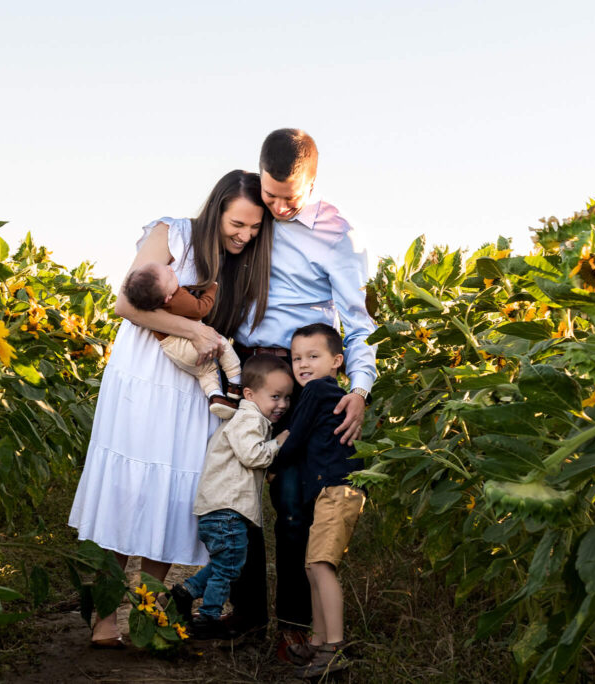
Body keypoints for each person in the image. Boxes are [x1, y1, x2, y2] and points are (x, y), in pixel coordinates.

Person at [68, 169, 274, 647]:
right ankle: (103, 621)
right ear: (217, 209)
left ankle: (147, 617)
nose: (244, 235)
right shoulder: (171, 233)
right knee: (126, 490)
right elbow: (125, 304)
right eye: (237, 224)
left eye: (254, 228)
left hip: (192, 388)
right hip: (144, 376)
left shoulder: (241, 266)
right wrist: (197, 332)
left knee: (173, 497)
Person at [227, 129, 377, 656]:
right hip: (245, 366)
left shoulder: (338, 234)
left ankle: (293, 629)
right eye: (271, 195)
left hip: (301, 378)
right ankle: (243, 621)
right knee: (233, 498)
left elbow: (358, 325)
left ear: (313, 180)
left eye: (290, 197)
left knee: (293, 504)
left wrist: (358, 388)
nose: (279, 207)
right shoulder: (253, 210)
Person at [169, 354, 293, 639]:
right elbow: (253, 455)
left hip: (222, 508)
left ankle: (184, 594)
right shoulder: (250, 419)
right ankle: (209, 617)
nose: (282, 405)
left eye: (287, 398)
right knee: (228, 568)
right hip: (227, 509)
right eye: (275, 396)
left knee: (227, 563)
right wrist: (277, 444)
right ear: (249, 394)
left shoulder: (247, 418)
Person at [273, 323, 366, 677]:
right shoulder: (323, 391)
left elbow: (293, 440)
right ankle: (317, 641)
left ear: (337, 361)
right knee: (313, 566)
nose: (303, 364)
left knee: (322, 566)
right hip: (331, 489)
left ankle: (334, 647)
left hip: (338, 488)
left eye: (314, 356)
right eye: (297, 358)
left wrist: (272, 463)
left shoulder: (317, 391)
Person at [120, 263, 243, 418]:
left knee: (205, 372)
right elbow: (201, 308)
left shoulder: (149, 306)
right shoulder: (177, 298)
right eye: (170, 275)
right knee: (222, 345)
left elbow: (136, 320)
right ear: (167, 298)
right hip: (188, 345)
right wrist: (211, 288)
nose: (171, 269)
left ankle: (215, 395)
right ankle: (235, 384)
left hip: (174, 353)